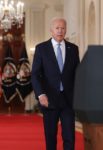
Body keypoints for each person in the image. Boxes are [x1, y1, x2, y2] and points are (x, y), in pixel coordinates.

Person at [31, 17, 80, 150]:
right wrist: (40, 94)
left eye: (63, 28)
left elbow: (78, 75)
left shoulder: (73, 49)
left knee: (69, 136)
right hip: (49, 100)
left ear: (66, 30)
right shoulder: (41, 48)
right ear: (51, 30)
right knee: (51, 137)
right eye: (57, 28)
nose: (60, 31)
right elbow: (35, 74)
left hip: (68, 101)